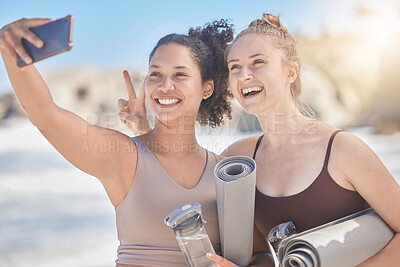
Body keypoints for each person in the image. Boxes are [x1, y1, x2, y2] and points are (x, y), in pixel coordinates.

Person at [119, 13, 400, 266]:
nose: (244, 75)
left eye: (258, 62)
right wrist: (144, 132)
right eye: (234, 67)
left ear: (290, 72)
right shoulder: (239, 160)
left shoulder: (342, 150)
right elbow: (179, 175)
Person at [0, 17, 275, 267]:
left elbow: (261, 255)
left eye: (180, 74)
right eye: (155, 74)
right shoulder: (123, 156)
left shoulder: (226, 173)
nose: (164, 85)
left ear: (207, 87)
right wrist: (11, 50)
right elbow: (47, 117)